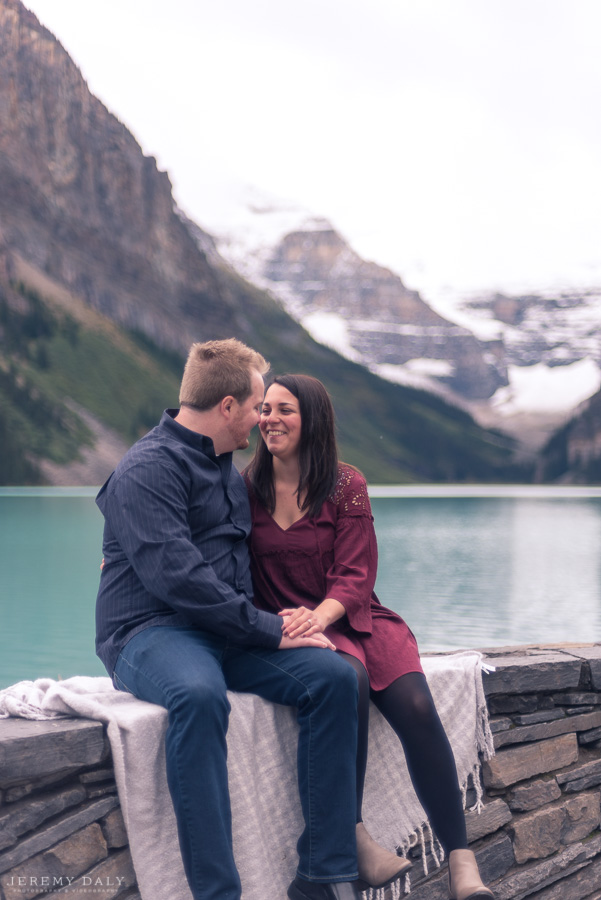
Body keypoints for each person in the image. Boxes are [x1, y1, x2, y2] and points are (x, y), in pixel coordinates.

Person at [95, 340, 363, 900]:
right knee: (198, 694)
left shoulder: (227, 468)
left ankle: (321, 876)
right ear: (227, 407)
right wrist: (272, 631)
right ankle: (218, 892)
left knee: (335, 678)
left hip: (227, 632)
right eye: (258, 405)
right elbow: (182, 581)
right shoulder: (145, 469)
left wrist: (298, 622)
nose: (263, 417)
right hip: (149, 633)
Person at [244, 373, 495, 900]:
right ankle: (353, 836)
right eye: (264, 408)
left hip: (355, 616)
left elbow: (356, 575)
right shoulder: (245, 487)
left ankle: (461, 860)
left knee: (418, 707)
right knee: (344, 680)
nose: (269, 418)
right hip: (293, 627)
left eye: (283, 409)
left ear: (311, 418)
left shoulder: (346, 484)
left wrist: (323, 614)